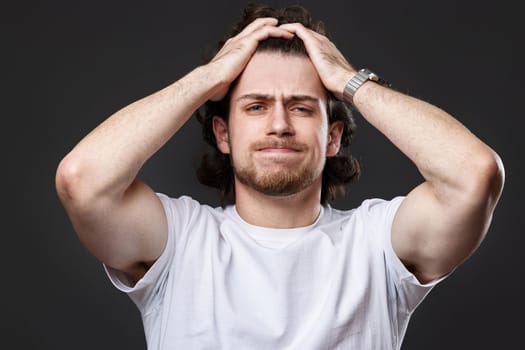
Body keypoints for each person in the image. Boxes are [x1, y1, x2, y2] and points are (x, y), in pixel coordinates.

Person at [55, 4, 505, 350]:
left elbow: (474, 174)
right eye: (255, 106)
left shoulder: (376, 244)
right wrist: (207, 79)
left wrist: (348, 81)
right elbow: (83, 180)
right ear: (223, 134)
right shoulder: (178, 242)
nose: (279, 125)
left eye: (301, 106)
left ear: (333, 138)